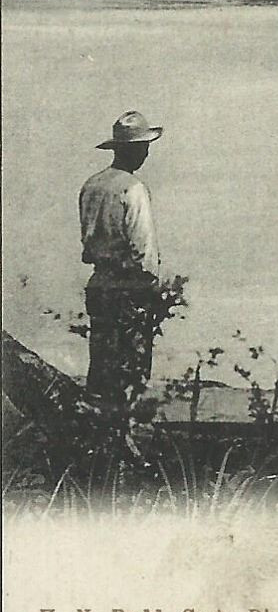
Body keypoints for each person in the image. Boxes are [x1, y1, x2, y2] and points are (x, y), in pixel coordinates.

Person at [78, 110, 166, 415]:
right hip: (130, 287)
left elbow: (87, 239)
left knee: (101, 368)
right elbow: (144, 250)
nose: (146, 152)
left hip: (99, 283)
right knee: (132, 375)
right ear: (136, 149)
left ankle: (95, 442)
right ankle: (126, 447)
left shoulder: (92, 186)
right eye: (143, 146)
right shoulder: (134, 189)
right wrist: (153, 290)